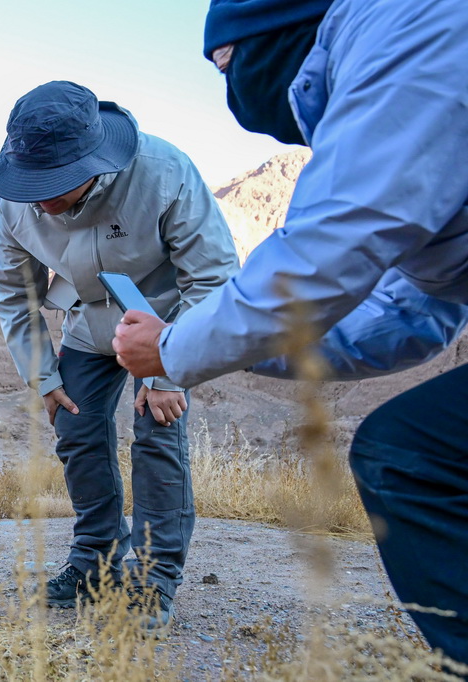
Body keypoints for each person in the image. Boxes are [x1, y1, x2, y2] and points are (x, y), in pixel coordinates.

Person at [113, 0, 468, 666]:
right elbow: (405, 318)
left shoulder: (408, 31)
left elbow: (321, 254)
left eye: (226, 66)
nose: (230, 93)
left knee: (413, 456)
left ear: (269, 34)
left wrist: (172, 350)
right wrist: (224, 350)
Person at [0, 81, 239, 629]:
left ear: (93, 163)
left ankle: (155, 576)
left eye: (55, 183)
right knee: (75, 426)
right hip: (86, 322)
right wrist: (43, 376)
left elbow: (213, 279)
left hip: (169, 320)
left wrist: (168, 365)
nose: (40, 197)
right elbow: (14, 293)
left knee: (157, 431)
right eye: (31, 182)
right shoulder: (17, 199)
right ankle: (95, 561)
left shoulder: (165, 174)